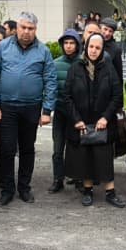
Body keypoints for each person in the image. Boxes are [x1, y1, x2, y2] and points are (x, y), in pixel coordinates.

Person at [0, 11, 57, 205]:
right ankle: (7, 190)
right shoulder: (3, 47)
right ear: (17, 28)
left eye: (31, 28)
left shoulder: (43, 51)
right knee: (7, 149)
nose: (26, 32)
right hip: (6, 108)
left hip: (31, 108)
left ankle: (24, 188)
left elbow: (50, 81)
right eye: (23, 27)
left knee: (27, 149)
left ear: (35, 30)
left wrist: (47, 110)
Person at [60, 32, 126, 207]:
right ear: (86, 47)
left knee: (104, 158)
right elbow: (66, 97)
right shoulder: (75, 68)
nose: (94, 50)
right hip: (81, 121)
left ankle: (110, 192)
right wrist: (76, 119)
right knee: (86, 157)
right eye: (91, 46)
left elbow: (117, 96)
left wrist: (105, 117)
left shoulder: (108, 68)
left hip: (102, 123)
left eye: (98, 47)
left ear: (102, 49)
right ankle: (87, 191)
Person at [48, 29, 81, 193]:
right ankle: (57, 179)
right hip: (60, 111)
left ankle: (78, 178)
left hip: (77, 113)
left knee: (76, 148)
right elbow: (51, 87)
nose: (68, 46)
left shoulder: (83, 62)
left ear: (77, 45)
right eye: (66, 43)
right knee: (57, 148)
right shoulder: (55, 63)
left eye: (72, 43)